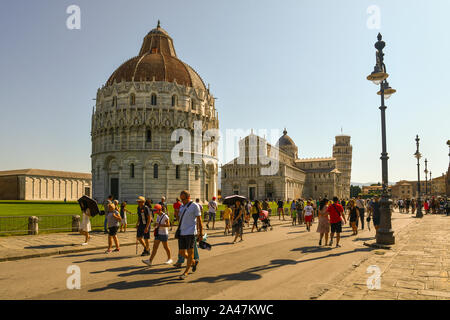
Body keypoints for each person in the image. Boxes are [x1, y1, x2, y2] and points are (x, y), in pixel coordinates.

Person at [176, 190, 203, 280]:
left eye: (183, 199)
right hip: (182, 232)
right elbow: (180, 218)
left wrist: (201, 233)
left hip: (191, 232)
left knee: (190, 252)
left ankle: (186, 272)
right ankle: (193, 262)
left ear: (188, 197)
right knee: (182, 252)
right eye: (181, 199)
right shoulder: (182, 206)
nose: (182, 201)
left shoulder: (195, 206)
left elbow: (199, 220)